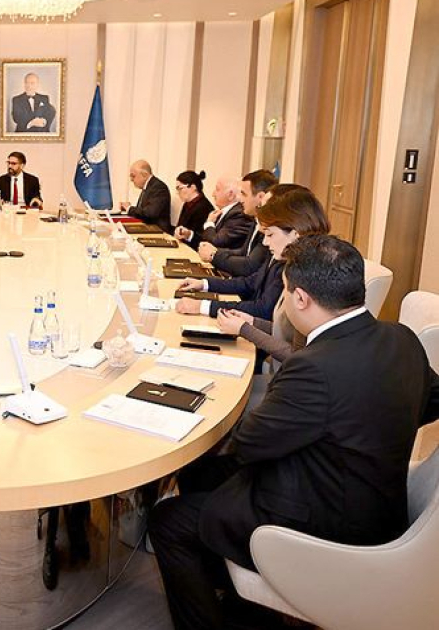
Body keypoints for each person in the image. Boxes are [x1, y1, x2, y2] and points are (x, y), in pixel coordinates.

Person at [149, 235, 439, 630]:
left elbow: (248, 444)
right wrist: (361, 426)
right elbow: (430, 402)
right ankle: (240, 600)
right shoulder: (402, 339)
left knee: (169, 520)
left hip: (329, 523)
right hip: (377, 500)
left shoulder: (314, 366)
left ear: (300, 298)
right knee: (202, 474)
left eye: (285, 292)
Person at [214, 184, 327, 372]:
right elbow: (287, 333)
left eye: (270, 234)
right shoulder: (296, 266)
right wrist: (252, 321)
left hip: (288, 381)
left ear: (295, 234)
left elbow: (297, 354)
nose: (266, 242)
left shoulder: (310, 279)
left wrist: (245, 329)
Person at [199, 170, 278, 277]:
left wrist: (214, 255)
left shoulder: (269, 227)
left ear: (260, 197)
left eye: (244, 194)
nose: (240, 199)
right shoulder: (255, 220)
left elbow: (249, 266)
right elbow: (243, 252)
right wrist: (214, 252)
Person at [175, 176, 252, 250]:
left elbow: (215, 244)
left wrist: (209, 223)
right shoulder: (223, 212)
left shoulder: (239, 215)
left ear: (230, 195)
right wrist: (189, 235)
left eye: (217, 189)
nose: (213, 194)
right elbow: (206, 240)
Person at [124, 160, 172, 234]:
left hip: (158, 232)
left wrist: (129, 208)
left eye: (133, 176)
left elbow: (149, 214)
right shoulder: (149, 186)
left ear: (145, 174)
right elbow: (143, 211)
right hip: (148, 228)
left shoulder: (158, 187)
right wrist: (128, 208)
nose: (131, 180)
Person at [174, 170, 214, 245]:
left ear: (193, 187)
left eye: (180, 188)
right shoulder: (187, 203)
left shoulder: (203, 207)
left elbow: (202, 238)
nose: (178, 192)